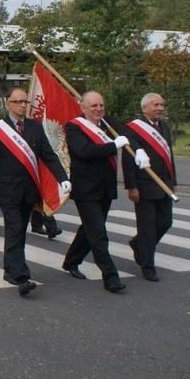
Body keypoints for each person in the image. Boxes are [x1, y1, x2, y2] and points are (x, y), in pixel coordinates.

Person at [0, 87, 70, 297]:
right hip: (8, 190)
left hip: (29, 190)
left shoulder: (35, 127)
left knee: (19, 232)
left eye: (25, 102)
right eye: (18, 101)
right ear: (8, 104)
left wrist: (63, 178)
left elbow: (48, 156)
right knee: (14, 229)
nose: (22, 105)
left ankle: (9, 269)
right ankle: (21, 276)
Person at [61, 91, 131, 293]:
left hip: (106, 187)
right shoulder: (74, 127)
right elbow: (85, 151)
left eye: (101, 105)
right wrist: (112, 146)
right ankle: (111, 277)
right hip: (86, 189)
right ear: (83, 108)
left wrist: (137, 149)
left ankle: (71, 260)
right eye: (93, 106)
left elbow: (127, 134)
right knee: (98, 233)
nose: (98, 109)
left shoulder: (107, 122)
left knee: (90, 229)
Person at [122, 92, 176, 282]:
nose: (160, 108)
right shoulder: (133, 129)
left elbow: (169, 156)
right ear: (145, 108)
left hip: (164, 184)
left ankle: (138, 244)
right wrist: (132, 187)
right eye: (155, 105)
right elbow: (128, 160)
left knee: (165, 222)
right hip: (144, 186)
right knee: (147, 228)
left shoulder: (165, 127)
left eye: (162, 104)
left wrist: (173, 181)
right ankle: (147, 266)